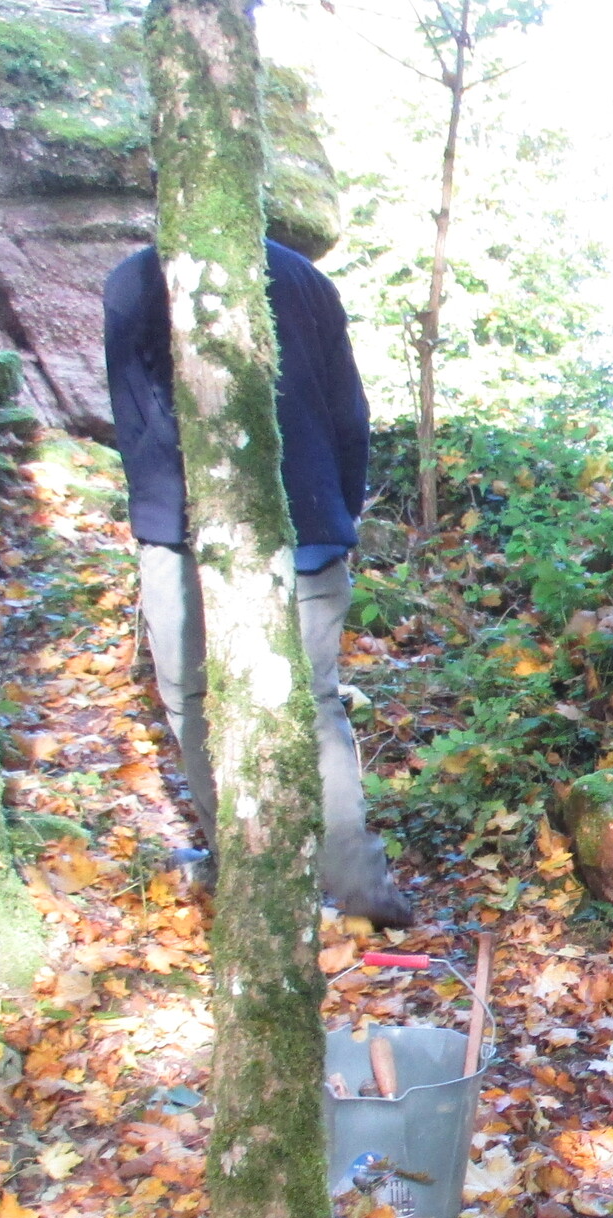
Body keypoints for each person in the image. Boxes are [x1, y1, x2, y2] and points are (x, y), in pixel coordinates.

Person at [103, 239, 414, 928]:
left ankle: (246, 867)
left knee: (197, 696)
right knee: (313, 702)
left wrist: (158, 513)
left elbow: (134, 419)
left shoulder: (136, 278)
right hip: (304, 528)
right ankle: (356, 881)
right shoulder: (303, 279)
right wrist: (335, 508)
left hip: (184, 535)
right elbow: (348, 414)